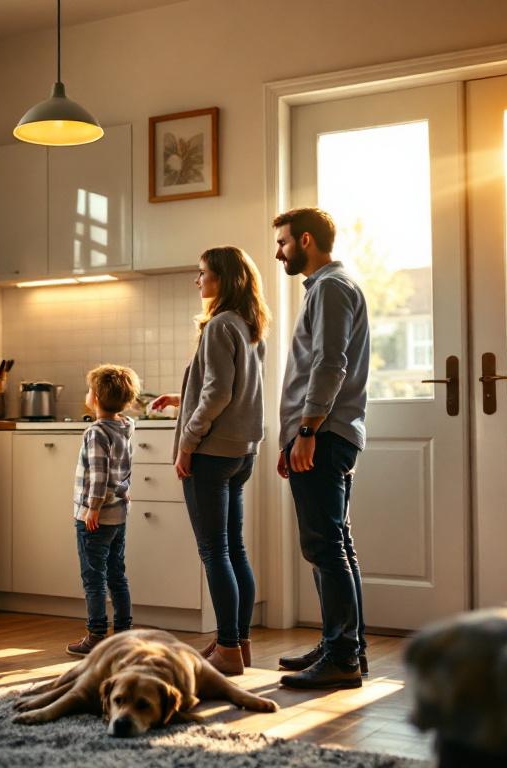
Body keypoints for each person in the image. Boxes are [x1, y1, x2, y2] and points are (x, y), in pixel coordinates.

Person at [150, 247, 269, 677]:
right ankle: (237, 643)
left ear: (223, 278)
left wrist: (186, 442)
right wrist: (181, 397)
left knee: (215, 551)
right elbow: (232, 389)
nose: (197, 280)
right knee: (233, 548)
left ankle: (228, 651)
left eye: (202, 273)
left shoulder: (219, 325)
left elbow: (218, 393)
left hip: (211, 454)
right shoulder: (249, 326)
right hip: (241, 453)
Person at [271, 208, 371, 690]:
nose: (279, 252)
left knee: (324, 545)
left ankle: (342, 655)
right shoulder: (328, 287)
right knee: (336, 544)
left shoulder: (331, 287)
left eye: (283, 242)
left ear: (306, 240)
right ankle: (344, 647)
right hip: (323, 433)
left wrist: (307, 430)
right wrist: (293, 436)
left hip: (325, 433)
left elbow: (330, 363)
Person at [66, 364, 141, 656]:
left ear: (95, 397)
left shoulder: (96, 432)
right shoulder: (125, 426)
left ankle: (96, 635)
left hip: (95, 518)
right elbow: (121, 471)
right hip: (119, 515)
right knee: (117, 575)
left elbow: (99, 475)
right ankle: (124, 635)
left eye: (89, 390)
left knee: (94, 577)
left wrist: (92, 508)